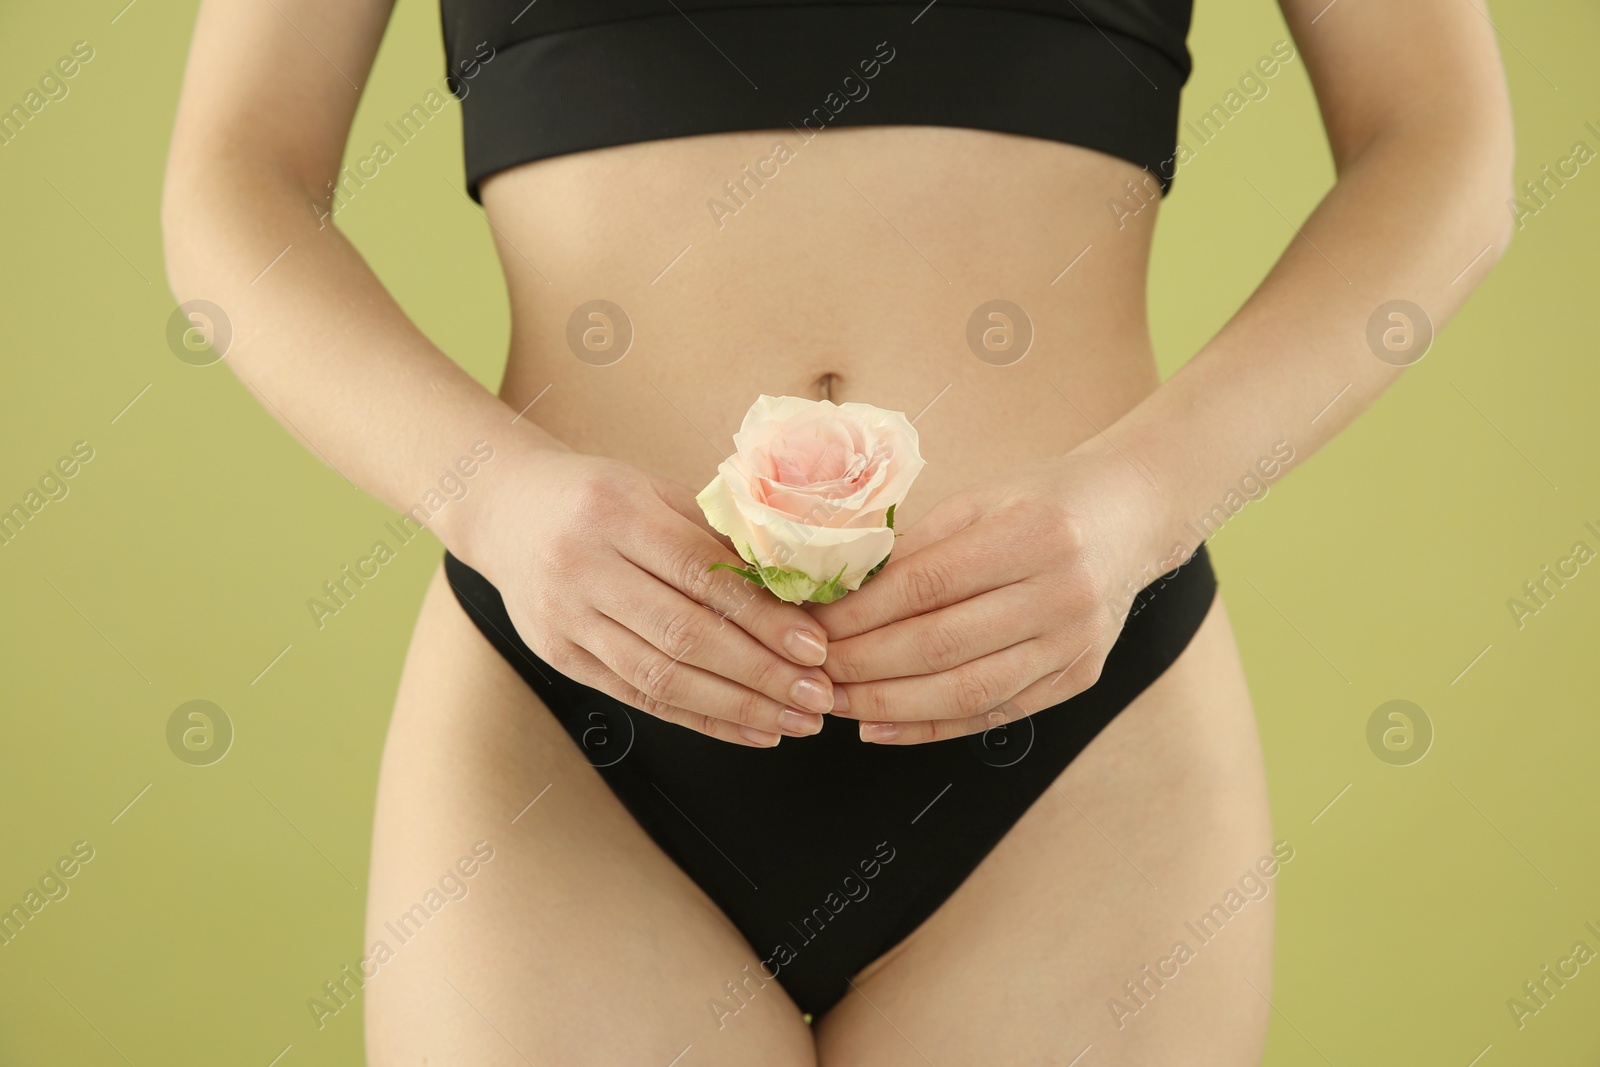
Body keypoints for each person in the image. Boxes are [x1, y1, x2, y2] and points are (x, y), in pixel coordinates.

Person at [161, 0, 1513, 1062]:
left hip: (1075, 722)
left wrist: (1143, 504)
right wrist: (482, 490)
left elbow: (1444, 137)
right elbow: (233, 181)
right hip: (575, 718)